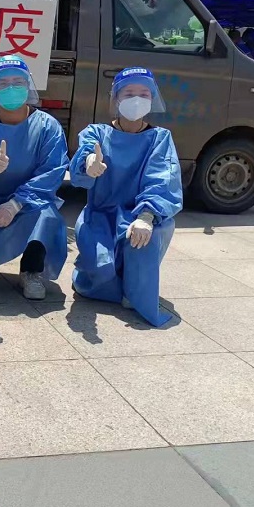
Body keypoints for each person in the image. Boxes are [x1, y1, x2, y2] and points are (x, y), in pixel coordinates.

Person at [69, 67, 183, 327]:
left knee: (148, 234)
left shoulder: (160, 138)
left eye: (144, 93)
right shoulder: (98, 133)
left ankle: (135, 289)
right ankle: (108, 278)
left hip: (138, 214)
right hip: (101, 215)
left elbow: (163, 178)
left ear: (152, 98)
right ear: (116, 98)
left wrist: (146, 216)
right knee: (98, 274)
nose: (136, 99)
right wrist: (88, 163)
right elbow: (85, 154)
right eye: (129, 93)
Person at [0, 55, 68, 299]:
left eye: (18, 82)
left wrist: (16, 203)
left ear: (28, 85)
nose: (11, 88)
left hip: (28, 202)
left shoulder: (48, 127)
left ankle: (31, 271)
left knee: (46, 215)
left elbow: (52, 171)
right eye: (3, 83)